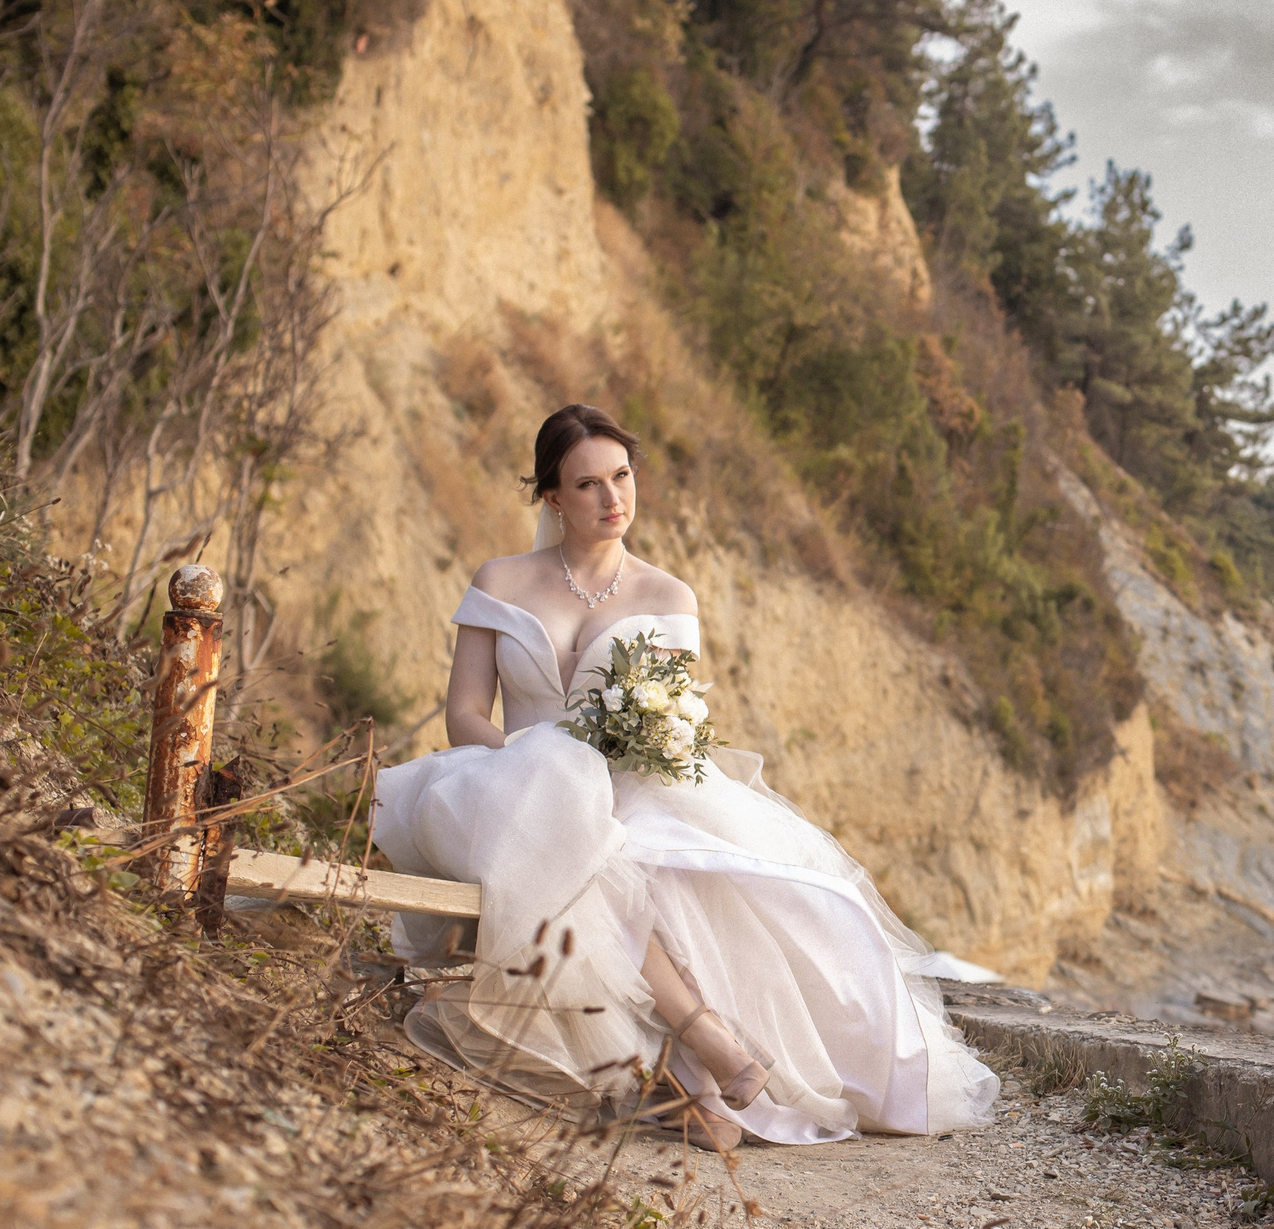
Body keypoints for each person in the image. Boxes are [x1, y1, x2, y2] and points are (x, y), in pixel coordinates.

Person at [372, 403, 999, 1149]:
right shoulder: (501, 581)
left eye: (623, 476)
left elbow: (669, 727)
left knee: (647, 860)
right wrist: (536, 771)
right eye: (587, 486)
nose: (614, 500)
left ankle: (684, 1087)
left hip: (630, 788)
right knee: (568, 827)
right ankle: (707, 1046)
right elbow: (466, 714)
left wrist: (623, 754)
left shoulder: (668, 598)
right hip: (503, 786)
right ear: (551, 498)